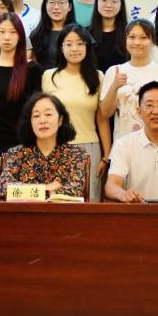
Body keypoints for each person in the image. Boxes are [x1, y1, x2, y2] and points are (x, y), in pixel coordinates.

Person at [41, 24, 111, 202]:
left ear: (87, 47)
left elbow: (102, 120)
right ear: (61, 47)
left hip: (89, 148)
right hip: (56, 148)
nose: (74, 49)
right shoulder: (49, 76)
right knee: (56, 200)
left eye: (80, 43)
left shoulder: (98, 77)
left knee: (89, 199)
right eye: (69, 44)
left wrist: (106, 156)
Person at [0, 93, 89, 199]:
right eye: (36, 116)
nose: (42, 120)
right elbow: (3, 188)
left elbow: (76, 190)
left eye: (48, 114)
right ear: (30, 122)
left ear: (60, 120)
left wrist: (26, 191)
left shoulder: (75, 154)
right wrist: (46, 188)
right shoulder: (17, 153)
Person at [0, 12, 43, 155]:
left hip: (24, 146)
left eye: (13, 32)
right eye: (2, 32)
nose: (7, 37)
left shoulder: (33, 70)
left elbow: (37, 110)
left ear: (20, 36)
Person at [101, 20, 158, 141]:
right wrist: (114, 87)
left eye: (143, 38)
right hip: (123, 144)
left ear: (152, 41)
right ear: (125, 39)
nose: (137, 42)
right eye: (132, 37)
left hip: (157, 144)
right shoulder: (114, 71)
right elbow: (105, 113)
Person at [29, 0, 75, 69]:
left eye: (61, 2)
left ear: (70, 7)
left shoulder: (79, 33)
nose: (56, 7)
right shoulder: (36, 35)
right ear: (45, 6)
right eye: (51, 2)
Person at [89, 0, 129, 73]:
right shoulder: (87, 33)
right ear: (97, 3)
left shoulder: (129, 33)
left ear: (121, 6)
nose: (108, 5)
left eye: (114, 1)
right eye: (104, 0)